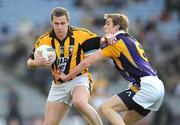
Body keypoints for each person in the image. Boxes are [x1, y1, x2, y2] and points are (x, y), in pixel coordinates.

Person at [58, 13, 165, 125]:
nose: (104, 27)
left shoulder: (115, 42)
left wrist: (67, 76)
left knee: (105, 107)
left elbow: (86, 62)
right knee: (125, 122)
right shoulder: (130, 39)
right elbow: (91, 56)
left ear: (117, 27)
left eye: (108, 24)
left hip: (146, 87)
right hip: (156, 86)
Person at [27, 7, 115, 125]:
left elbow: (99, 40)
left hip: (79, 79)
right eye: (56, 23)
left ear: (68, 21)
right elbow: (29, 62)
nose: (60, 27)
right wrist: (37, 63)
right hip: (58, 85)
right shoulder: (43, 41)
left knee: (79, 102)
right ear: (51, 23)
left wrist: (107, 38)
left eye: (63, 23)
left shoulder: (80, 35)